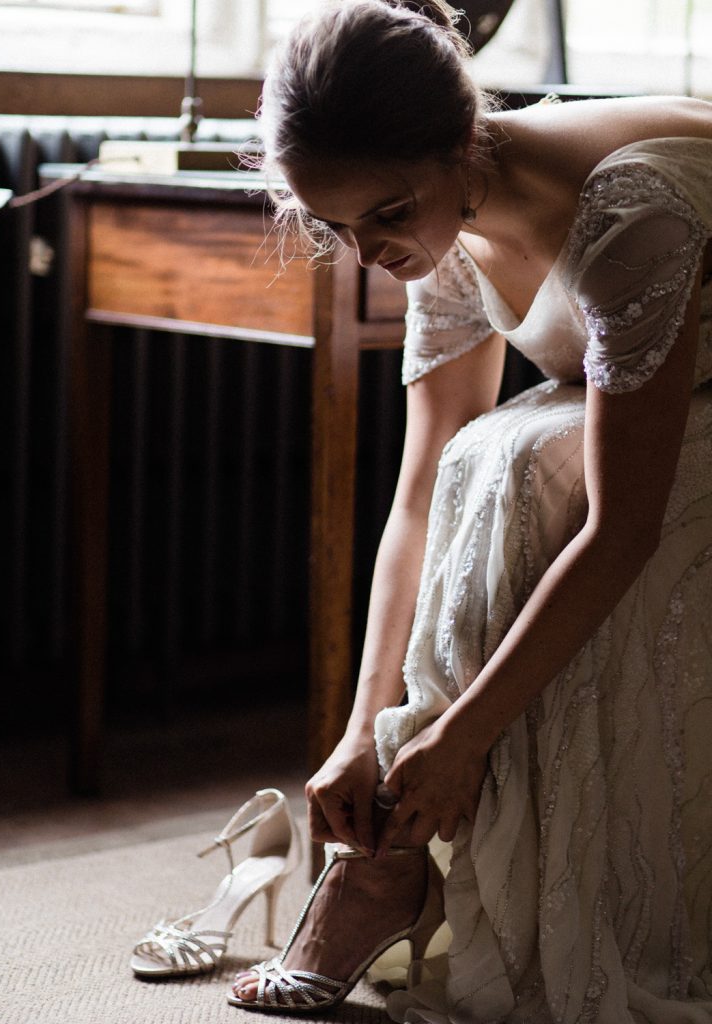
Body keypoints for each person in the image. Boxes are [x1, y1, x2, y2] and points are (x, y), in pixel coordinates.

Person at [228, 1, 712, 1019]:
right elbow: (417, 489)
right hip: (663, 385)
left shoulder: (632, 209)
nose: (366, 253)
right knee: (482, 457)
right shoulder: (435, 218)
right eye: (332, 226)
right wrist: (363, 731)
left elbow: (622, 527)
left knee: (518, 458)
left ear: (461, 147)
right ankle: (392, 855)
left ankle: (389, 868)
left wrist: (468, 736)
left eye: (386, 217)